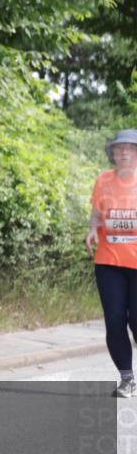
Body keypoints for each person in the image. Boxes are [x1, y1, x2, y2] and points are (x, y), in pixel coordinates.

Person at [86, 128, 137, 398]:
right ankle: (127, 378)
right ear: (114, 154)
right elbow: (96, 214)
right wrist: (93, 229)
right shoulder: (104, 180)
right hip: (108, 262)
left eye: (130, 149)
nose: (124, 153)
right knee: (115, 320)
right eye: (120, 149)